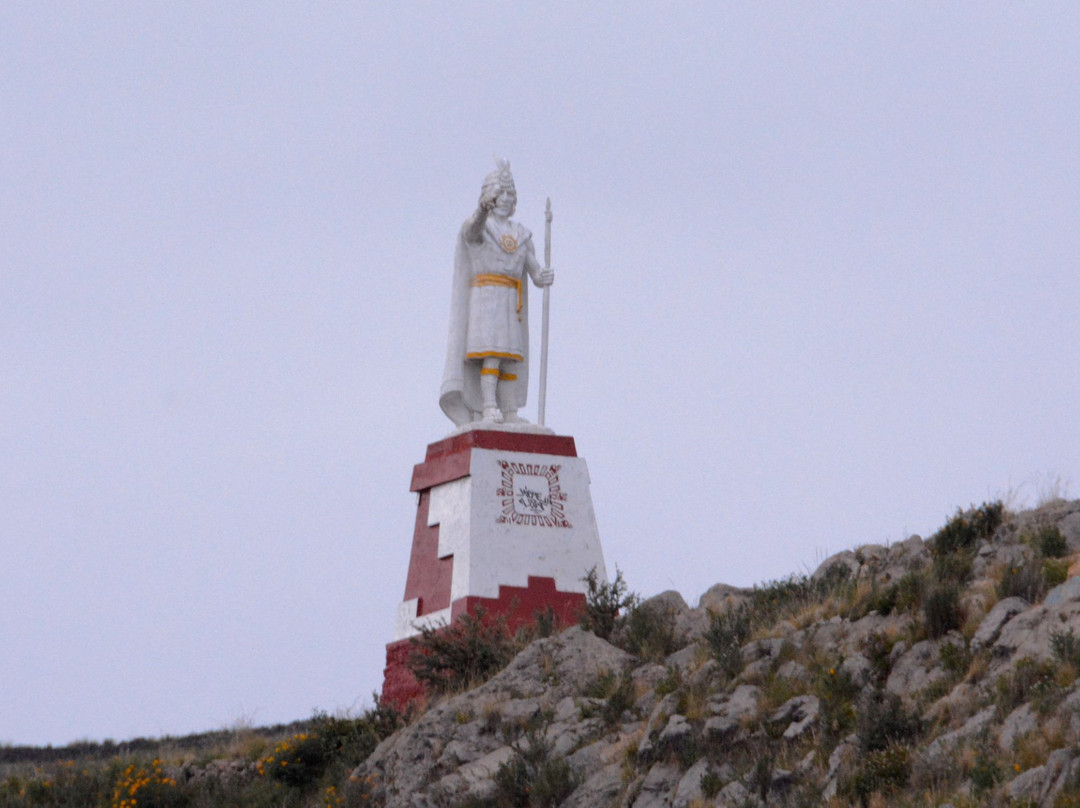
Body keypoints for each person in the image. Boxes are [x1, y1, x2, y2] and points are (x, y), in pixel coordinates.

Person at [440, 159, 553, 426]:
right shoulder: (481, 227)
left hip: (511, 302)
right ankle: (489, 406)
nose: (504, 199)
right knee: (491, 355)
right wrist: (482, 210)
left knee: (510, 359)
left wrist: (542, 276)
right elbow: (472, 232)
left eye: (509, 194)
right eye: (499, 193)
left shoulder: (522, 235)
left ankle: (509, 409)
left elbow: (534, 270)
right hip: (486, 297)